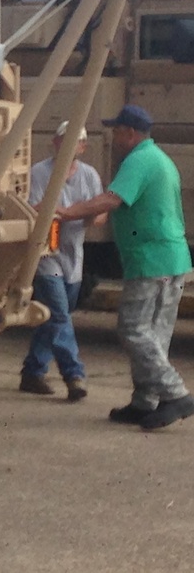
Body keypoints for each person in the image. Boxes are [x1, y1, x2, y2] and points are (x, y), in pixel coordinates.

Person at [57, 104, 194, 430]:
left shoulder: (139, 160)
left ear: (130, 133)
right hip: (168, 258)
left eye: (116, 131)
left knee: (133, 329)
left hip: (153, 261)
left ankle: (176, 394)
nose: (113, 137)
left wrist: (63, 212)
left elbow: (111, 200)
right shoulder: (157, 157)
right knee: (154, 336)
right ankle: (144, 402)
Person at [19, 121, 105, 402]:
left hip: (73, 256)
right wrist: (50, 212)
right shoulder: (40, 173)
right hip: (46, 255)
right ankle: (74, 374)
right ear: (55, 143)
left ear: (82, 147)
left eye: (76, 142)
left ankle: (33, 371)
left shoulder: (89, 175)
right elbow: (30, 209)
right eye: (63, 140)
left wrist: (86, 214)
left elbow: (100, 214)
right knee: (59, 314)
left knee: (56, 314)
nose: (69, 146)